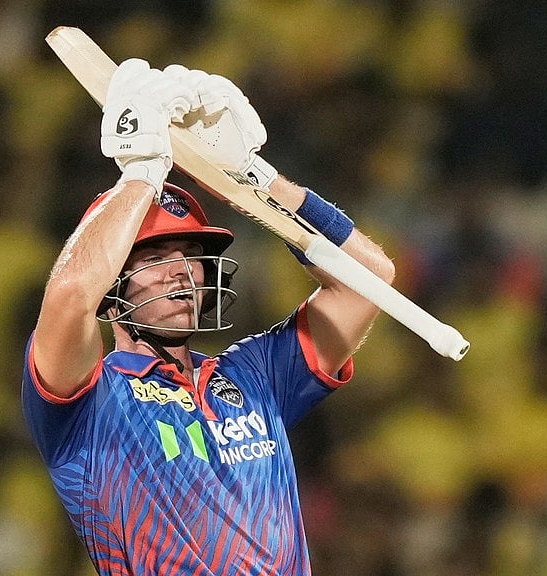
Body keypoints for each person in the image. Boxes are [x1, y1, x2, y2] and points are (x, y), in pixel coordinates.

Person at [21, 58, 394, 575]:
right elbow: (69, 293)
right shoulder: (87, 404)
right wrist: (143, 170)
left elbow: (370, 278)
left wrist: (260, 182)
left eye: (189, 255)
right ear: (111, 281)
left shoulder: (255, 376)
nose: (180, 272)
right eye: (154, 257)